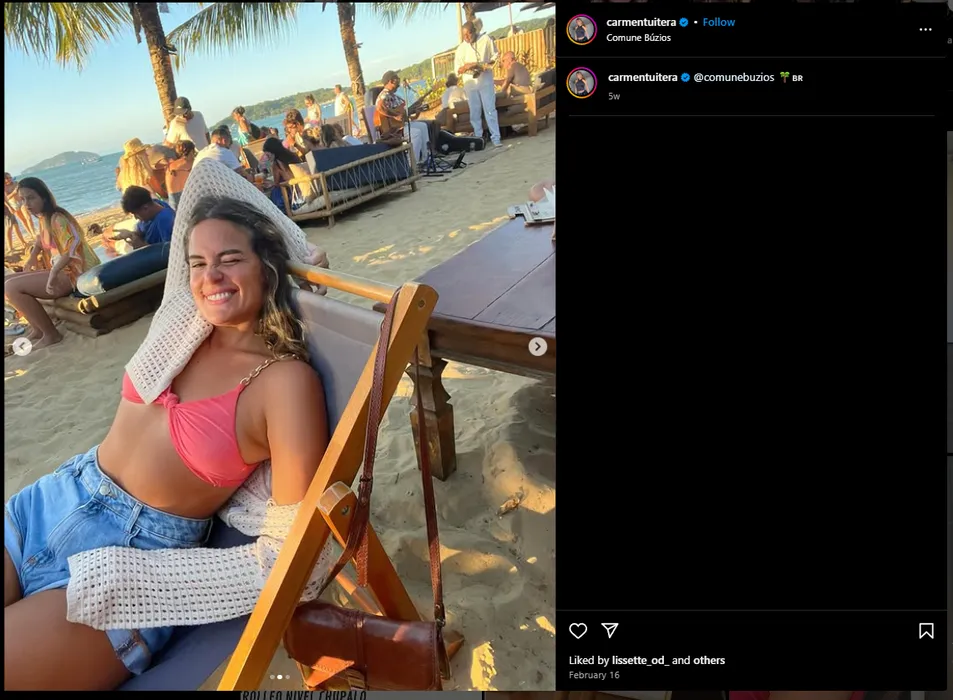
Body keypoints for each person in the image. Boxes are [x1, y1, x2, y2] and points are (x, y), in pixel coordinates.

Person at [3, 160, 331, 690]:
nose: (210, 277)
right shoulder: (184, 319)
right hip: (48, 505)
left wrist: (140, 582)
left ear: (267, 267)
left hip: (132, 564)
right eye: (198, 263)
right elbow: (205, 177)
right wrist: (294, 240)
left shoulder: (283, 382)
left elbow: (296, 558)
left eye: (231, 259)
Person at [3, 177, 100, 349]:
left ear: (44, 197)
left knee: (11, 287)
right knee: (6, 282)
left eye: (31, 198)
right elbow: (41, 241)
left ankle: (51, 334)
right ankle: (38, 329)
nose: (26, 204)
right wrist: (32, 257)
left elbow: (72, 248)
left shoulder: (58, 218)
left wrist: (53, 273)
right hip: (62, 270)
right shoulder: (44, 218)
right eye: (23, 199)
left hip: (75, 273)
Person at [454, 20, 502, 148]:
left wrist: (479, 65)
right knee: (475, 111)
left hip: (485, 80)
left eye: (468, 34)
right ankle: (479, 138)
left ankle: (496, 138)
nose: (466, 37)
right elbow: (457, 70)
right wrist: (465, 67)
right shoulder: (461, 49)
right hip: (470, 83)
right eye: (464, 35)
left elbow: (495, 57)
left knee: (490, 109)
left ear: (474, 31)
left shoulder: (486, 39)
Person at [375, 70, 431, 164]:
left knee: (423, 126)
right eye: (397, 78)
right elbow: (380, 107)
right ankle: (412, 164)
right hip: (392, 131)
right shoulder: (384, 96)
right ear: (391, 81)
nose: (399, 80)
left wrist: (415, 111)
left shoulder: (393, 96)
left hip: (400, 126)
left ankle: (425, 159)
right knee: (416, 133)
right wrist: (395, 116)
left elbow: (403, 115)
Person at [260, 137, 303, 211]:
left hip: (293, 197)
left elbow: (278, 183)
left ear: (272, 152)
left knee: (274, 192)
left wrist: (270, 183)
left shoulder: (277, 164)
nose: (267, 157)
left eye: (268, 155)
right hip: (303, 189)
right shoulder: (293, 156)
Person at [165, 140, 197, 210]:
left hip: (172, 198)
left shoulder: (170, 166)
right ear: (192, 151)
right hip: (185, 197)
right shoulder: (191, 163)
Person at [4, 172, 36, 238]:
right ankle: (30, 233)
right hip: (14, 205)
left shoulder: (16, 183)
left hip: (22, 202)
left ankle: (34, 233)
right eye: (7, 178)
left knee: (28, 217)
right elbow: (6, 198)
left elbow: (23, 191)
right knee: (23, 220)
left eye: (10, 177)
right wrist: (14, 192)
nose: (9, 179)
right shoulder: (5, 188)